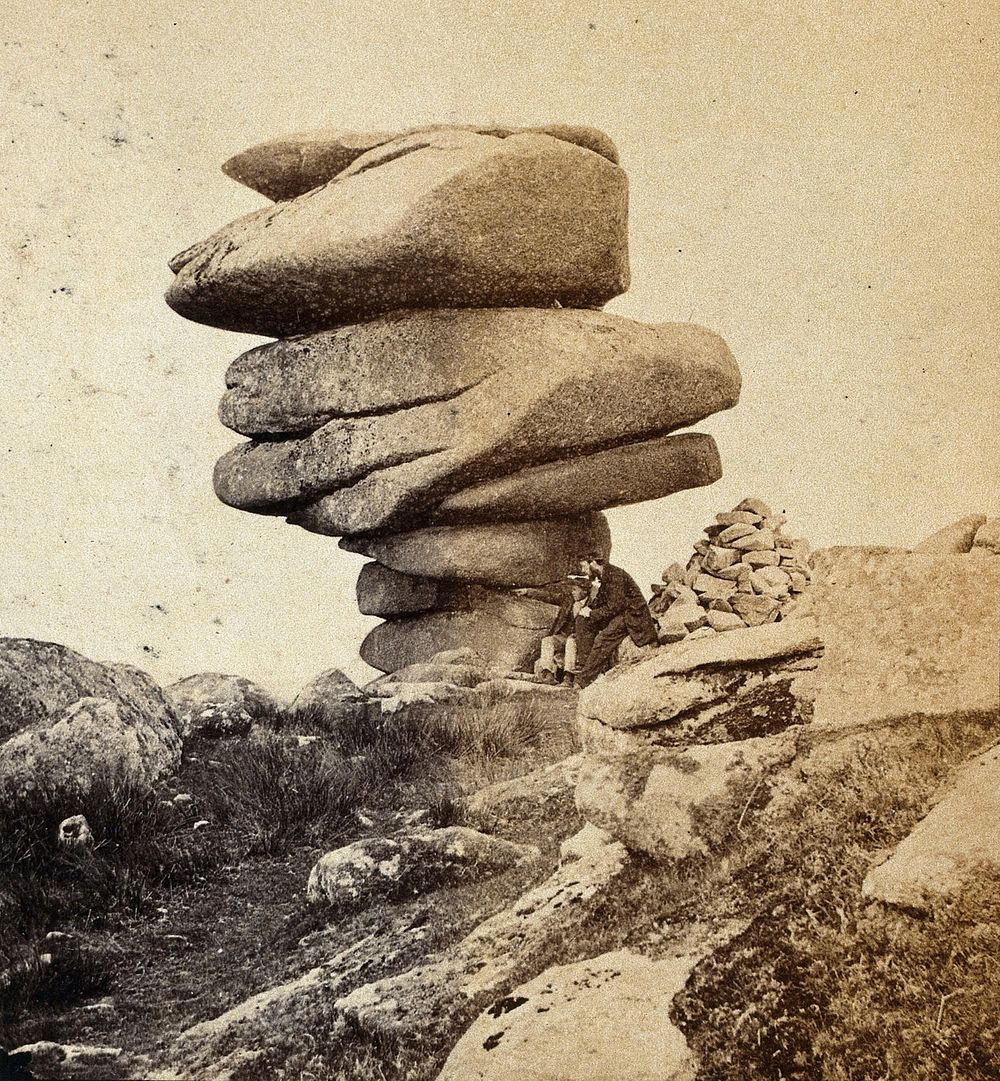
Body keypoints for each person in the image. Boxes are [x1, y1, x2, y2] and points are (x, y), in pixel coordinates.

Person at [574, 553, 658, 689]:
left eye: (584, 566)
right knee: (582, 621)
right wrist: (588, 610)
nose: (583, 571)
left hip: (632, 615)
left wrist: (592, 613)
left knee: (603, 639)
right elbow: (601, 601)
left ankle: (584, 680)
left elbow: (614, 606)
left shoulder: (615, 575)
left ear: (593, 563)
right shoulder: (606, 575)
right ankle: (585, 665)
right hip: (620, 613)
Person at [533, 576, 590, 684]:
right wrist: (528, 591)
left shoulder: (593, 603)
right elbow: (549, 596)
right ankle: (548, 674)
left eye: (575, 590)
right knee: (548, 640)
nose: (572, 592)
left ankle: (568, 677)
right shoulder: (568, 599)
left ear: (584, 591)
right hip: (563, 636)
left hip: (579, 638)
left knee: (570, 642)